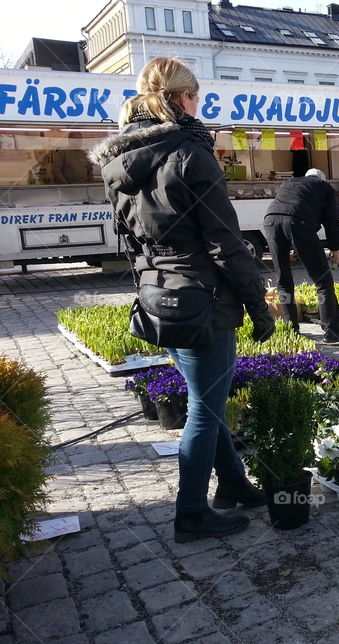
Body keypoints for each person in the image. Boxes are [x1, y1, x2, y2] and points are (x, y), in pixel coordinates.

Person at [90, 58, 275, 542]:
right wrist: (259, 305)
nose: (200, 104)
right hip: (202, 297)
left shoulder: (119, 162)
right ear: (180, 98)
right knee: (205, 411)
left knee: (205, 402)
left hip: (158, 293)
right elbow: (224, 242)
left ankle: (233, 484)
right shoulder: (191, 152)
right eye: (197, 96)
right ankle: (190, 512)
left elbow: (129, 240)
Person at [262, 168, 339, 344]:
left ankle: (292, 330)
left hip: (270, 221)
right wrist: (335, 249)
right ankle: (333, 332)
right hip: (298, 223)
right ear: (322, 179)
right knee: (323, 281)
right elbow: (333, 220)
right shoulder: (325, 188)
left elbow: (288, 210)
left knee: (283, 280)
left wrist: (293, 246)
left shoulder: (289, 184)